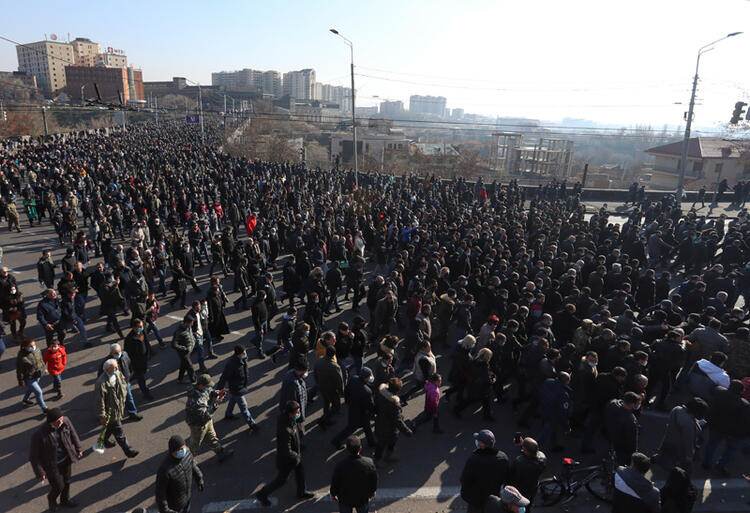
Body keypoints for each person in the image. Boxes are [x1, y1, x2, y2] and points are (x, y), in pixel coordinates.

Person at [255, 400, 316, 506]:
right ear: (290, 413)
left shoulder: (289, 420)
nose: (298, 414)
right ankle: (262, 494)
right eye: (296, 412)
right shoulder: (285, 429)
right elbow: (285, 450)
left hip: (295, 455)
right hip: (287, 460)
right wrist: (296, 456)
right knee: (281, 480)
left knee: (300, 472)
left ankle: (301, 492)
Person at [29, 407, 83, 512]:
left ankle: (65, 500)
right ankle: (51, 500)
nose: (61, 422)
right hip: (52, 465)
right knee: (58, 486)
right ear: (51, 422)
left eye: (61, 419)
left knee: (67, 481)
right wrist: (40, 472)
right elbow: (33, 457)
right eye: (58, 422)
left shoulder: (65, 421)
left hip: (66, 459)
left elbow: (73, 433)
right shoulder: (39, 435)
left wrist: (78, 448)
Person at [95, 359, 139, 458]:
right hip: (110, 411)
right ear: (106, 369)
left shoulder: (117, 373)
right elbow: (100, 401)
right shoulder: (101, 383)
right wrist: (102, 415)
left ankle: (104, 440)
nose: (117, 369)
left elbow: (122, 383)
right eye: (114, 368)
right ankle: (129, 450)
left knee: (111, 427)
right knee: (119, 431)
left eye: (116, 367)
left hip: (118, 407)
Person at [185, 374, 234, 462]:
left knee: (212, 437)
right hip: (198, 424)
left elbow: (209, 391)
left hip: (206, 421)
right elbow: (204, 415)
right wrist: (216, 403)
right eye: (207, 385)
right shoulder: (198, 400)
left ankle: (220, 453)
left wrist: (216, 393)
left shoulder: (201, 387)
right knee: (194, 445)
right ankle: (188, 463)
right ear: (201, 385)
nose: (209, 387)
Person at [652, 398, 708, 474]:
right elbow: (689, 441)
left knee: (665, 454)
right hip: (679, 447)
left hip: (668, 439)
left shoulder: (677, 409)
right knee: (681, 468)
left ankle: (657, 459)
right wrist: (689, 457)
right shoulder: (689, 424)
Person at [460, 429, 510, 513]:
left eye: (478, 441)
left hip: (476, 500)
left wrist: (466, 495)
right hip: (494, 498)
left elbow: (465, 479)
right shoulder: (503, 457)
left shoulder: (474, 459)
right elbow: (507, 478)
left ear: (482, 444)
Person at [155, 435, 205, 513]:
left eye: (183, 448)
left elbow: (192, 465)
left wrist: (199, 478)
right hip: (174, 506)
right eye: (179, 450)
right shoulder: (165, 470)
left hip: (187, 498)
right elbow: (160, 494)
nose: (182, 451)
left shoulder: (187, 454)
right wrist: (165, 510)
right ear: (172, 452)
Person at [216, 345, 259, 433]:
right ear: (239, 354)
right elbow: (224, 377)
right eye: (244, 352)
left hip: (239, 387)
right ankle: (252, 424)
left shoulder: (242, 359)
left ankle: (228, 414)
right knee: (244, 407)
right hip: (236, 388)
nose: (245, 354)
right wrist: (218, 390)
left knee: (233, 400)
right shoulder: (231, 364)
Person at [330, 436, 378, 513]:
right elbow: (373, 479)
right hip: (362, 498)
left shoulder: (340, 465)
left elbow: (335, 481)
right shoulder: (369, 462)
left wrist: (333, 493)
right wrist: (372, 491)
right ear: (360, 448)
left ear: (347, 449)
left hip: (345, 499)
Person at [331, 367, 377, 449]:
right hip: (361, 412)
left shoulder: (354, 379)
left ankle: (371, 442)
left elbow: (346, 391)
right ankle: (336, 440)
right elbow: (370, 406)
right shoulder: (367, 391)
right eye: (369, 376)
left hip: (353, 408)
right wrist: (374, 412)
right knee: (351, 428)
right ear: (365, 378)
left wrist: (348, 402)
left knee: (367, 427)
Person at [373, 377, 413, 465]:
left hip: (380, 422)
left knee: (381, 443)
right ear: (397, 391)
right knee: (387, 444)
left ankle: (378, 458)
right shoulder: (393, 404)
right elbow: (397, 420)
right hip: (389, 429)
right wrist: (407, 431)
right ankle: (381, 459)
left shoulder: (380, 393)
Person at [604, 391, 642, 465]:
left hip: (609, 436)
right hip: (621, 445)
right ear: (631, 404)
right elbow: (631, 440)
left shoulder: (612, 403)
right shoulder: (630, 420)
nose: (638, 405)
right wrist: (633, 453)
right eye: (637, 404)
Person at [508, 437, 547, 509]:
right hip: (532, 487)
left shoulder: (519, 462)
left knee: (517, 507)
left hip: (520, 489)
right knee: (527, 505)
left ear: (526, 450)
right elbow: (531, 454)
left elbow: (511, 474)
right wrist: (522, 444)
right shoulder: (542, 458)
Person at [123, 318, 154, 401]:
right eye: (139, 326)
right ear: (134, 327)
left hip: (144, 360)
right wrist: (132, 365)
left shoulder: (142, 332)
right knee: (141, 378)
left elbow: (146, 342)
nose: (141, 328)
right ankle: (146, 393)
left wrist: (149, 352)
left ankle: (125, 381)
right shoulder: (129, 339)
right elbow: (128, 354)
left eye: (141, 326)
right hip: (137, 364)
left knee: (138, 376)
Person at [314, 345, 344, 429]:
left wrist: (318, 383)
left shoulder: (319, 361)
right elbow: (339, 381)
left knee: (326, 402)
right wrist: (341, 392)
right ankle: (323, 420)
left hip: (322, 387)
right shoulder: (335, 366)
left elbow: (315, 374)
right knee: (336, 407)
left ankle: (325, 416)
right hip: (332, 390)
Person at [17, 337, 48, 413]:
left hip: (38, 374)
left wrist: (44, 368)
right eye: (30, 346)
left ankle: (25, 400)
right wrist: (20, 380)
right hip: (29, 377)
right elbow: (19, 370)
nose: (33, 347)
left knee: (31, 389)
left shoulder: (37, 350)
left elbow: (41, 360)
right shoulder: (22, 357)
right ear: (25, 347)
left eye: (34, 345)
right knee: (38, 392)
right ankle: (44, 408)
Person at [172, 316, 198, 384]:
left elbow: (190, 334)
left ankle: (179, 379)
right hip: (184, 353)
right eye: (191, 323)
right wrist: (184, 348)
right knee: (190, 367)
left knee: (183, 365)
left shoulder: (188, 327)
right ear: (187, 322)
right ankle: (194, 382)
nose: (192, 324)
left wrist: (194, 338)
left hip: (189, 351)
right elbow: (173, 345)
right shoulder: (178, 332)